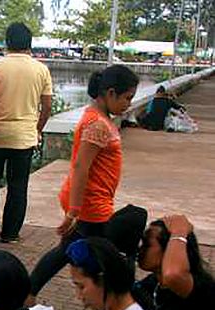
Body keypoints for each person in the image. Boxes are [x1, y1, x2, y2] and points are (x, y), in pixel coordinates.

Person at [28, 65, 140, 297]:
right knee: (108, 256)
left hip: (92, 201)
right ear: (110, 93)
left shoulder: (99, 119)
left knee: (68, 251)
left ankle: (29, 293)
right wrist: (74, 211)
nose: (128, 104)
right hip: (91, 203)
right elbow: (80, 167)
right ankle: (121, 301)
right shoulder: (97, 124)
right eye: (127, 98)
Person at [0, 22, 53, 244]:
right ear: (29, 43)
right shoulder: (41, 70)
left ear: (7, 42)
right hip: (24, 136)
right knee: (18, 186)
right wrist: (37, 128)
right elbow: (46, 106)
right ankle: (10, 233)